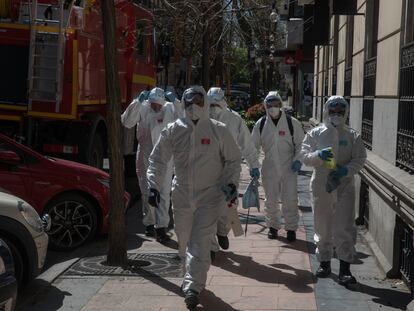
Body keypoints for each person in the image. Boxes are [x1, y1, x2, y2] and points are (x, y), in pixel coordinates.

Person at [147, 86, 241, 309]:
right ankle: (193, 276)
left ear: (205, 103)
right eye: (189, 103)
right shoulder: (173, 130)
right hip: (181, 195)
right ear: (183, 104)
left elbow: (233, 160)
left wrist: (230, 185)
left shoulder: (219, 130)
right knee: (184, 240)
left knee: (199, 243)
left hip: (210, 197)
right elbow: (158, 160)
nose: (193, 107)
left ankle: (192, 287)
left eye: (198, 102)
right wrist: (154, 187)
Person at [301, 95, 366, 285]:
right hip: (321, 184)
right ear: (326, 111)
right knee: (323, 224)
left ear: (345, 113)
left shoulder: (353, 135)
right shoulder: (316, 133)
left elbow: (360, 158)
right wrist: (318, 156)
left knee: (344, 225)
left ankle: (345, 268)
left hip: (345, 185)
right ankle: (324, 262)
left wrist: (347, 170)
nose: (336, 114)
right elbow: (304, 156)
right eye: (332, 111)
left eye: (340, 111)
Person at [207, 87, 260, 254]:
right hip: (207, 167)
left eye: (217, 103)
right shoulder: (201, 118)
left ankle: (223, 232)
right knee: (206, 205)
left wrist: (254, 165)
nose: (214, 107)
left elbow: (246, 144)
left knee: (229, 203)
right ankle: (210, 246)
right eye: (211, 104)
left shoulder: (234, 119)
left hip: (231, 168)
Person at [121, 87, 175, 243]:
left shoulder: (170, 109)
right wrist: (135, 103)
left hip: (165, 157)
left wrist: (177, 102)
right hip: (145, 155)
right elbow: (127, 122)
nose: (156, 107)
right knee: (147, 192)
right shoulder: (143, 108)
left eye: (158, 105)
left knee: (164, 193)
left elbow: (185, 119)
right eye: (153, 104)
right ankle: (150, 224)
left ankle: (162, 227)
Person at [251, 91, 305, 242]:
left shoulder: (291, 122)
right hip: (269, 168)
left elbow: (302, 144)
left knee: (290, 199)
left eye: (275, 104)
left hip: (289, 167)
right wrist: (253, 165)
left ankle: (291, 229)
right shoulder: (261, 124)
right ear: (265, 106)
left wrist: (298, 159)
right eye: (269, 104)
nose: (272, 107)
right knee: (271, 199)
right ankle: (273, 227)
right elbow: (252, 147)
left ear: (280, 105)